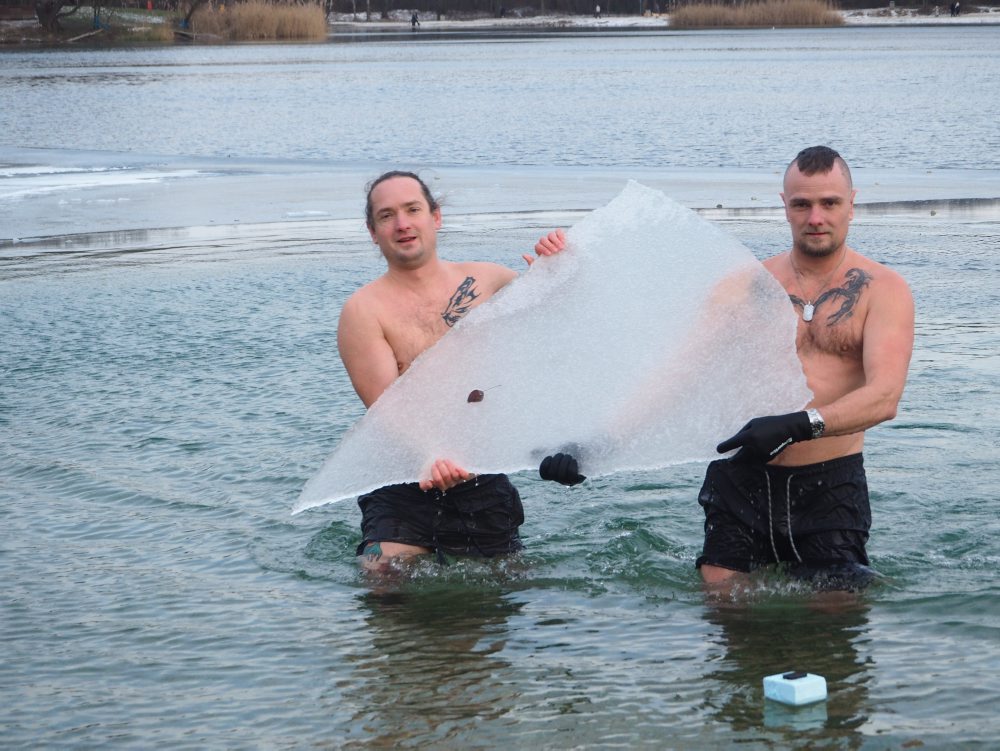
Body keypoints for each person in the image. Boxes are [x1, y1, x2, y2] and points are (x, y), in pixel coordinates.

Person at [537, 146, 914, 591]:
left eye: (829, 203)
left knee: (832, 618)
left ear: (852, 202)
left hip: (828, 483)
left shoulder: (883, 290)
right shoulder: (746, 285)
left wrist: (798, 424)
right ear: (785, 206)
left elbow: (884, 397)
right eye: (802, 204)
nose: (816, 217)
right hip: (743, 477)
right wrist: (599, 446)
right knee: (725, 605)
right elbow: (677, 371)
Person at [339, 170, 562, 571]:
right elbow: (386, 407)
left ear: (435, 216)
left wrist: (558, 265)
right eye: (387, 215)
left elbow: (561, 321)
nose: (403, 223)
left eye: (412, 209)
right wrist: (431, 455)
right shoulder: (363, 310)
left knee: (501, 592)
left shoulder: (489, 280)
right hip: (403, 475)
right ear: (373, 232)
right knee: (381, 572)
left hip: (481, 470)